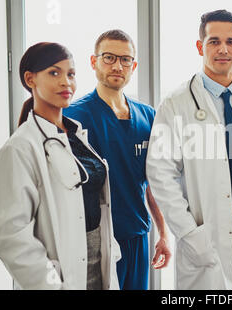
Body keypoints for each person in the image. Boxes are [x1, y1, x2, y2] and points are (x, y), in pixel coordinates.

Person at [146, 9, 232, 290]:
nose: (223, 49)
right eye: (214, 41)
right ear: (200, 46)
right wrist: (188, 232)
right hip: (203, 231)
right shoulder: (175, 103)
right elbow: (160, 174)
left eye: (230, 42)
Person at [0, 42, 121, 290]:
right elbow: (11, 238)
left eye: (70, 74)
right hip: (59, 279)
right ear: (30, 79)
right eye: (54, 73)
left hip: (97, 267)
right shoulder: (19, 149)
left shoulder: (76, 136)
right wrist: (53, 285)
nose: (66, 82)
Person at [63, 29, 171, 290]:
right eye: (109, 57)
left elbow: (153, 183)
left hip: (137, 237)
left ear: (133, 66)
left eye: (125, 60)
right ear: (93, 62)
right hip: (93, 240)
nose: (117, 66)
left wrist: (164, 234)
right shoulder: (73, 117)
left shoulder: (149, 117)